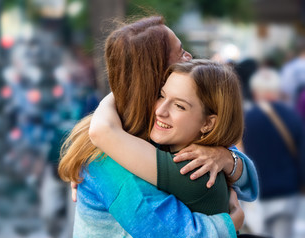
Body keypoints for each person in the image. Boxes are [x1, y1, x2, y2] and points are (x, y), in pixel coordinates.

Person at [58, 16, 258, 238]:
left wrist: (226, 159)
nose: (189, 57)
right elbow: (176, 234)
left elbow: (248, 182)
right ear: (154, 78)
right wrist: (230, 224)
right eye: (181, 53)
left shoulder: (164, 129)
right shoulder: (111, 160)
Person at [89, 59, 244, 215]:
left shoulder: (193, 170)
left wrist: (119, 93)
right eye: (161, 96)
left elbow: (102, 132)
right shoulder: (184, 154)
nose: (160, 111)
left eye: (179, 105)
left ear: (208, 123)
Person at [242, 66, 305, 238]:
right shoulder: (291, 116)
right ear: (277, 91)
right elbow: (302, 157)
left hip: (257, 196)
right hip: (287, 192)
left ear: (255, 92)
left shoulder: (246, 119)